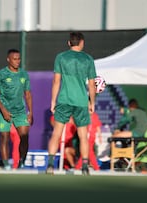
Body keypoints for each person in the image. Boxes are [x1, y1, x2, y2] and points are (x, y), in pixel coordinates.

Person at [46, 32, 97, 175]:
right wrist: (92, 102)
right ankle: (85, 168)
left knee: (56, 133)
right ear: (82, 43)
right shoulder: (88, 59)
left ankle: (50, 166)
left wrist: (53, 101)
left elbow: (56, 81)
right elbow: (92, 85)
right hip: (81, 101)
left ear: (69, 43)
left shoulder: (61, 57)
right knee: (82, 136)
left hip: (64, 100)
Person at [0, 48, 33, 170]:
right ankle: (6, 165)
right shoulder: (1, 74)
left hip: (20, 111)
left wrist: (30, 112)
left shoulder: (24, 74)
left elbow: (28, 94)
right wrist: (3, 110)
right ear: (8, 60)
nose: (17, 61)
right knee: (4, 137)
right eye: (14, 59)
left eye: (19, 59)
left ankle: (22, 162)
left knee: (25, 137)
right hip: (5, 111)